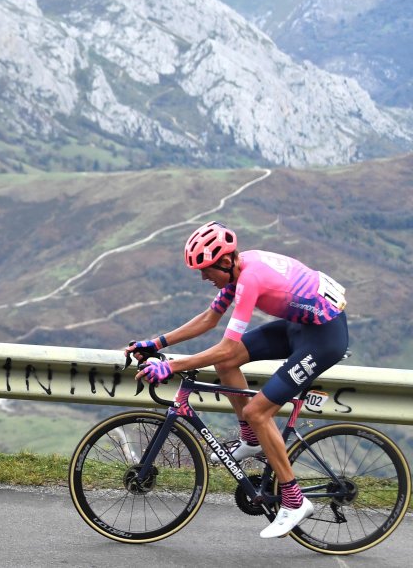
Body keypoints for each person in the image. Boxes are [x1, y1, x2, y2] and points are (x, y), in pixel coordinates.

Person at [125, 221, 348, 539]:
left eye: (206, 270)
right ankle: (252, 440)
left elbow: (227, 344)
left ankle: (295, 502)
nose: (204, 277)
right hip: (301, 326)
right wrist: (157, 344)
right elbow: (208, 318)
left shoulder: (249, 280)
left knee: (258, 411)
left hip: (323, 339)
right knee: (227, 365)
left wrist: (171, 367)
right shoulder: (239, 270)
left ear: (226, 261)